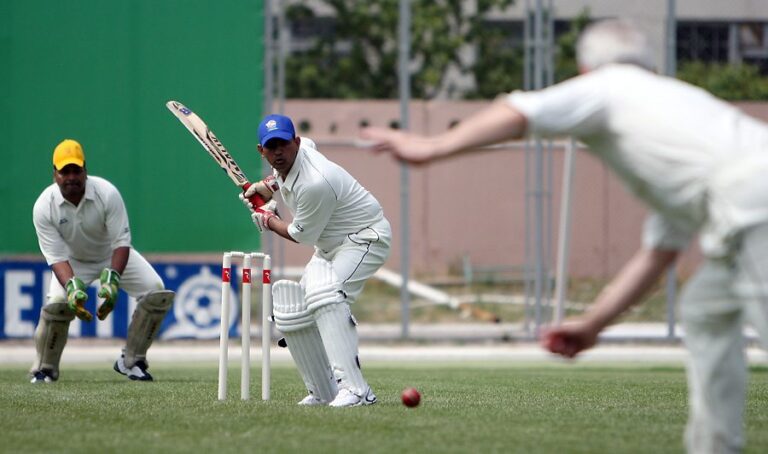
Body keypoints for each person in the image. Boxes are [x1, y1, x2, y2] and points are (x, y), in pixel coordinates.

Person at [362, 18, 768, 453]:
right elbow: (660, 254)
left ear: (585, 69)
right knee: (705, 310)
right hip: (742, 211)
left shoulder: (610, 85)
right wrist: (593, 325)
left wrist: (432, 148)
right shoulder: (679, 118)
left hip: (754, 207)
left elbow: (519, 109)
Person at [240, 114, 391, 407]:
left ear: (294, 142)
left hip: (365, 238)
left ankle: (357, 391)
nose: (278, 152)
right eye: (271, 147)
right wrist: (267, 185)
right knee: (292, 310)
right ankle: (324, 391)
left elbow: (300, 235)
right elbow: (303, 149)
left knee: (328, 297)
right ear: (261, 151)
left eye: (284, 144)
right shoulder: (302, 149)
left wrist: (267, 219)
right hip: (330, 246)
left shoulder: (315, 183)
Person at [31, 139, 175, 383]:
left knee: (156, 293)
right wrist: (72, 287)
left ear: (85, 170)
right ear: (54, 174)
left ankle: (132, 361)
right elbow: (55, 257)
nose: (71, 177)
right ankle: (45, 369)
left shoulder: (106, 193)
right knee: (57, 305)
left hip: (111, 254)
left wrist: (113, 279)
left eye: (76, 170)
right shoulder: (44, 206)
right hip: (72, 261)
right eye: (65, 171)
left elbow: (121, 242)